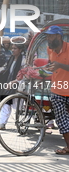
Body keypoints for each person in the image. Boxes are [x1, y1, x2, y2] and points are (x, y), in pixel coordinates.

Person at [44, 25, 69, 154]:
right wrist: (48, 67)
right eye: (47, 36)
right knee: (61, 120)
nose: (48, 38)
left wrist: (60, 65)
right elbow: (51, 63)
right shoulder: (50, 50)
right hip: (57, 90)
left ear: (58, 36)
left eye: (50, 36)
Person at [0, 43, 26, 130]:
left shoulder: (23, 60)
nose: (12, 50)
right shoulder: (11, 58)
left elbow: (25, 74)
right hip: (9, 84)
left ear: (20, 50)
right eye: (12, 48)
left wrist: (14, 82)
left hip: (19, 85)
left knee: (18, 107)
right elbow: (4, 68)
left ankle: (24, 121)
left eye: (15, 48)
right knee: (6, 103)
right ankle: (1, 123)